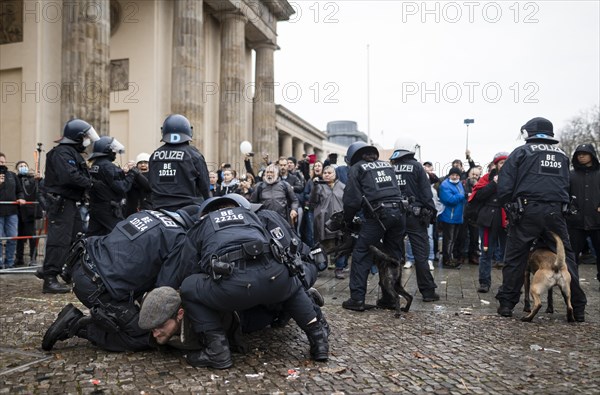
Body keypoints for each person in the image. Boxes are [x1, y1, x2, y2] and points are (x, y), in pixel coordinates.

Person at [177, 195, 329, 368]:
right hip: (273, 276)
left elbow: (187, 269)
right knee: (291, 284)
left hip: (232, 285)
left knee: (188, 286)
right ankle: (319, 342)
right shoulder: (253, 217)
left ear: (207, 213)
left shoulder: (202, 225)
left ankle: (217, 351)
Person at [41, 206, 200, 352]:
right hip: (99, 286)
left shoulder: (150, 214)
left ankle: (106, 318)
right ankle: (76, 325)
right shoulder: (180, 237)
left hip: (82, 264)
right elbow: (162, 293)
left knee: (135, 318)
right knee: (145, 335)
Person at [496, 117, 587, 321]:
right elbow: (568, 183)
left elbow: (505, 183)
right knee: (566, 258)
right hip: (556, 212)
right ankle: (578, 307)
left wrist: (508, 204)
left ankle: (507, 304)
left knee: (515, 258)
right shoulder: (562, 155)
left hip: (527, 211)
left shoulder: (522, 152)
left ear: (529, 132)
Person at [341, 142, 405, 311]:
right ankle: (390, 299)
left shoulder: (357, 168)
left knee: (361, 253)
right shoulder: (387, 165)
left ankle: (357, 299)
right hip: (399, 214)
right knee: (392, 256)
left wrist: (347, 220)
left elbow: (351, 200)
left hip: (378, 215)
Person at [38, 119, 96, 293]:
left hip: (70, 203)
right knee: (59, 241)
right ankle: (49, 278)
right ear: (78, 137)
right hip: (61, 202)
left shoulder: (71, 152)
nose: (87, 140)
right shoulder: (62, 153)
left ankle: (67, 272)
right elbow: (69, 177)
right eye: (85, 136)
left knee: (75, 239)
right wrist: (91, 183)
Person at [389, 140, 439, 302]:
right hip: (414, 217)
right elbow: (426, 194)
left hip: (394, 215)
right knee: (421, 254)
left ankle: (389, 293)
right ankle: (428, 292)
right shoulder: (417, 167)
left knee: (393, 256)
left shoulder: (391, 167)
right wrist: (431, 211)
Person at [148, 114, 210, 211]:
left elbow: (151, 182)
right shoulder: (194, 155)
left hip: (159, 208)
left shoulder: (154, 155)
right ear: (190, 131)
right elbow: (204, 186)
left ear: (163, 131)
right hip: (188, 209)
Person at [468, 152, 509, 293]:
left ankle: (508, 284)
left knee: (507, 255)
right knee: (486, 252)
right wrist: (494, 184)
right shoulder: (487, 178)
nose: (503, 165)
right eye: (501, 163)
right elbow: (478, 195)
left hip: (506, 220)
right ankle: (484, 282)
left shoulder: (514, 178)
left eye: (506, 162)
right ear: (496, 164)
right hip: (488, 219)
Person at [87, 136, 136, 236]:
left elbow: (106, 180)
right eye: (113, 150)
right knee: (125, 233)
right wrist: (132, 174)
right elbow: (122, 187)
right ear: (107, 150)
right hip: (108, 209)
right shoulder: (108, 166)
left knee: (93, 237)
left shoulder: (95, 165)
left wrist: (122, 172)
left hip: (96, 207)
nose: (114, 153)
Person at [567, 143, 600, 286]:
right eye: (578, 153)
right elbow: (564, 194)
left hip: (597, 221)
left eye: (584, 153)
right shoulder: (570, 175)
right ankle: (572, 283)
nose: (581, 156)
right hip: (575, 222)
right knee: (572, 256)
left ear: (592, 155)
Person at [310, 165, 346, 278]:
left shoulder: (342, 186)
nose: (326, 174)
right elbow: (312, 202)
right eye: (325, 173)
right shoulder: (319, 186)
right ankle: (320, 265)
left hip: (339, 221)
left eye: (329, 173)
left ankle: (339, 268)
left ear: (335, 175)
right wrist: (315, 186)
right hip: (323, 221)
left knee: (340, 244)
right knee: (322, 244)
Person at [14, 160, 43, 266]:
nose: (23, 167)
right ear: (17, 169)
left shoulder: (31, 179)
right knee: (19, 237)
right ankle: (19, 258)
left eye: (25, 165)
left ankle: (33, 257)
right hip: (18, 211)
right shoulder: (15, 178)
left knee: (31, 236)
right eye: (21, 166)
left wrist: (38, 180)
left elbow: (37, 189)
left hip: (30, 211)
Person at [0, 153, 26, 269]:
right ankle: (0, 263)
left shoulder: (11, 175)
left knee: (12, 237)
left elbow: (19, 190)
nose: (2, 164)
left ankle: (9, 262)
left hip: (12, 212)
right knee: (0, 239)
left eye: (3, 162)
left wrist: (21, 198)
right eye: (0, 162)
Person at [438, 167, 467, 269]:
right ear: (449, 175)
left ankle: (450, 258)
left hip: (458, 216)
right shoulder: (445, 185)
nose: (455, 177)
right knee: (448, 239)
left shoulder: (459, 183)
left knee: (453, 239)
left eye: (457, 175)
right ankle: (446, 260)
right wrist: (463, 195)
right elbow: (449, 200)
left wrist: (461, 196)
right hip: (449, 216)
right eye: (453, 175)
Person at [124, 153, 152, 217]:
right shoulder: (131, 175)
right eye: (140, 163)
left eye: (145, 162)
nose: (143, 165)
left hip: (146, 209)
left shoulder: (152, 176)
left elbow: (149, 186)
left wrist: (136, 173)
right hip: (131, 209)